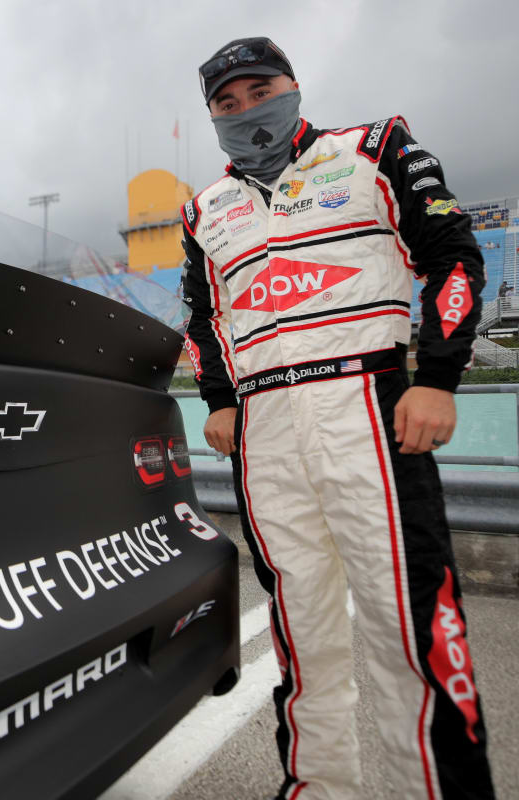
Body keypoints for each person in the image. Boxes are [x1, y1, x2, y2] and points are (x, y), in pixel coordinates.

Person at [181, 37, 494, 800]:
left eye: (261, 91)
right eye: (228, 103)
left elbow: (452, 255)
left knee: (410, 626)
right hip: (265, 429)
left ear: (293, 85)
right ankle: (316, 787)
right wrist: (220, 401)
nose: (247, 110)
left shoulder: (376, 148)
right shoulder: (204, 211)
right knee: (300, 628)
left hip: (370, 406)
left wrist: (439, 377)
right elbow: (203, 317)